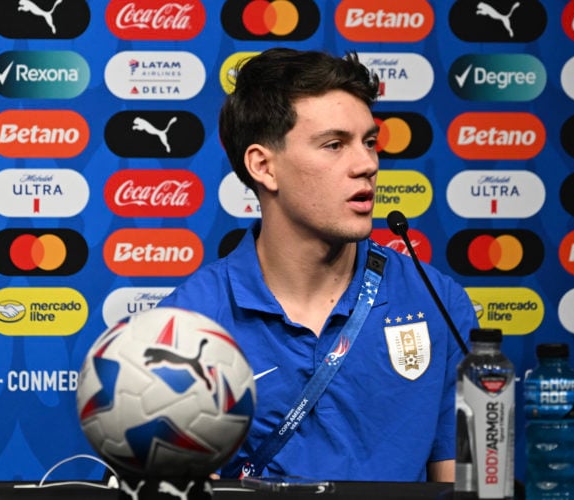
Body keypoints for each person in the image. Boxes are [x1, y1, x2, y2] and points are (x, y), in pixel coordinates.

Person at [157, 48, 478, 482]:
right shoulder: (185, 324)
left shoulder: (438, 304)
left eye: (369, 142)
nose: (367, 165)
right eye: (334, 145)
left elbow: (465, 485)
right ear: (263, 167)